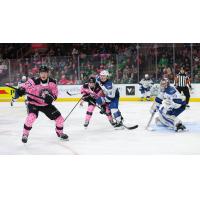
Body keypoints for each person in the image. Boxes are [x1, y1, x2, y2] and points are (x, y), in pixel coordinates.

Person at [15, 66, 68, 143]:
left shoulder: (52, 82)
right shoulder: (33, 81)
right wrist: (21, 90)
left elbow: (55, 94)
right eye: (41, 73)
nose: (43, 75)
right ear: (39, 73)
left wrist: (51, 98)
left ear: (48, 73)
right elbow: (24, 86)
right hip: (34, 103)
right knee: (31, 118)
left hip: (45, 105)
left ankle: (60, 133)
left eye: (45, 73)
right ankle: (25, 134)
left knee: (60, 119)